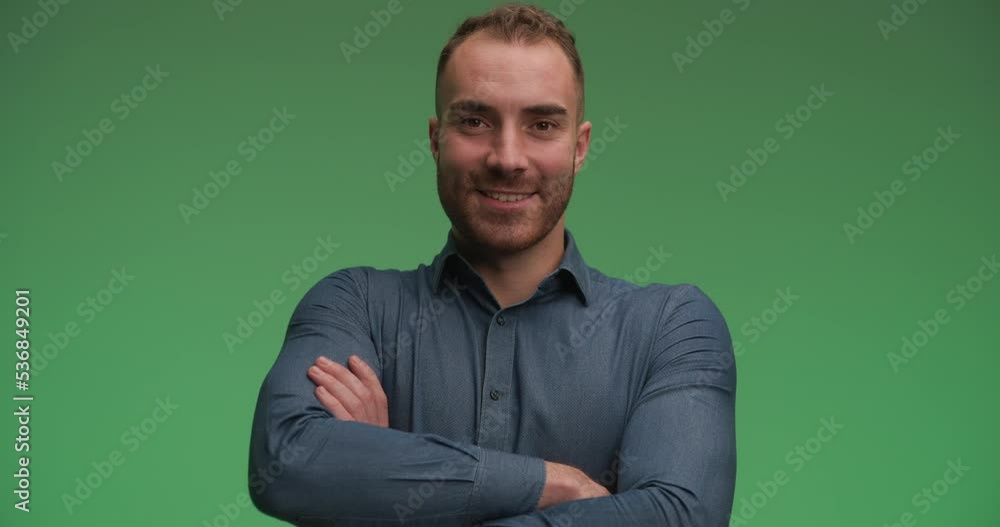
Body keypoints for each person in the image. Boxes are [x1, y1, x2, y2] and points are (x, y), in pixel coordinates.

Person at [248, 3, 736, 525]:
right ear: (436, 140)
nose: (507, 158)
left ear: (579, 147)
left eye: (542, 124)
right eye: (475, 121)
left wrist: (383, 477)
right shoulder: (355, 306)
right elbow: (288, 462)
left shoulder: (670, 326)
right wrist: (551, 484)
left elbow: (680, 516)